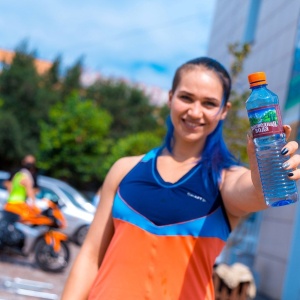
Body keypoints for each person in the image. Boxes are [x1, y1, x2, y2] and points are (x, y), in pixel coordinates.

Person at [61, 57, 300, 300]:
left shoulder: (224, 179)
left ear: (224, 111)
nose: (195, 112)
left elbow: (254, 193)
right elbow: (90, 257)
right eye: (186, 97)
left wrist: (266, 175)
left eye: (209, 103)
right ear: (170, 97)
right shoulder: (124, 170)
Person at [4, 154, 40, 221]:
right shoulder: (27, 177)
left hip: (10, 204)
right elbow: (29, 192)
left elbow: (10, 187)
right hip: (18, 205)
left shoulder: (17, 174)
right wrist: (34, 205)